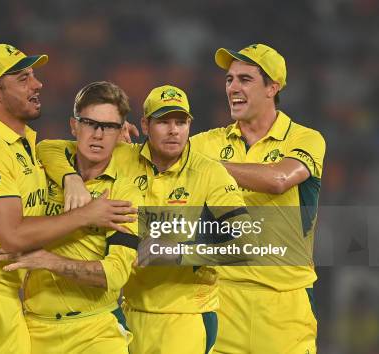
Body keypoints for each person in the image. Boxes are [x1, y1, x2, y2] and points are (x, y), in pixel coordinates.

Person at [0, 44, 137, 354]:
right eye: (23, 79)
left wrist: (119, 147)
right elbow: (13, 236)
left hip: (8, 301)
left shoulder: (27, 147)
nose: (37, 85)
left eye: (34, 76)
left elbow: (55, 149)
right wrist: (87, 214)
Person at [37, 84, 252, 354]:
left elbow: (246, 240)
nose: (174, 130)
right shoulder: (125, 156)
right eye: (163, 121)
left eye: (181, 122)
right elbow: (50, 149)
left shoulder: (209, 173)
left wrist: (177, 252)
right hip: (130, 309)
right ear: (144, 125)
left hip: (185, 315)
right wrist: (70, 178)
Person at [188, 43, 326, 354]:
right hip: (220, 301)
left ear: (272, 88)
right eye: (229, 80)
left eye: (245, 79)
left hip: (285, 308)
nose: (232, 87)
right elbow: (157, 156)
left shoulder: (305, 139)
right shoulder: (206, 142)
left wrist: (208, 168)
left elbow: (279, 179)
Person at [0, 81, 142, 354]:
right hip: (34, 330)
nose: (98, 134)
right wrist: (70, 178)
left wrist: (46, 261)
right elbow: (44, 148)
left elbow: (116, 274)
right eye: (89, 123)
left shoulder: (124, 192)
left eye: (109, 127)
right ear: (74, 126)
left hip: (96, 332)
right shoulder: (45, 168)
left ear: (121, 132)